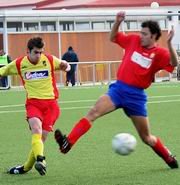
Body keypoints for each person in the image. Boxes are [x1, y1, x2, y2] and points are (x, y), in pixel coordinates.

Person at [54, 11, 179, 169]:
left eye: (145, 34)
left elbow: (174, 64)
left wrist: (169, 44)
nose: (140, 36)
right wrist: (117, 22)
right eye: (141, 32)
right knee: (93, 112)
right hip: (119, 89)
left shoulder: (160, 53)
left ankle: (168, 158)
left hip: (136, 97)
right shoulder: (133, 40)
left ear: (154, 36)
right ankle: (67, 143)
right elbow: (113, 37)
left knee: (147, 138)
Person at [0, 36, 71, 175]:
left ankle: (25, 167)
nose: (39, 55)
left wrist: (65, 66)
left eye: (41, 52)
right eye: (36, 52)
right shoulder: (20, 63)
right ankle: (41, 159)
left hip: (51, 105)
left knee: (41, 139)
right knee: (36, 131)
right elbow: (3, 71)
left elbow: (66, 65)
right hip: (33, 104)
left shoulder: (49, 59)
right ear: (28, 51)